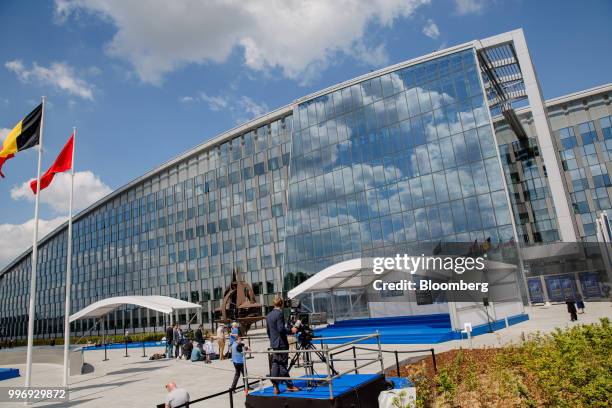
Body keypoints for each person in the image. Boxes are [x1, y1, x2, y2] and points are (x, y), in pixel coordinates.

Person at [266, 295, 300, 395]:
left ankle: (275, 386)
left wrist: (273, 340)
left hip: (274, 343)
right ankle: (289, 386)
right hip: (281, 343)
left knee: (275, 364)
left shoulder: (269, 315)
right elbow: (281, 329)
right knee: (282, 365)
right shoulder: (279, 314)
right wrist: (291, 330)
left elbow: (268, 331)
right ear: (282, 304)